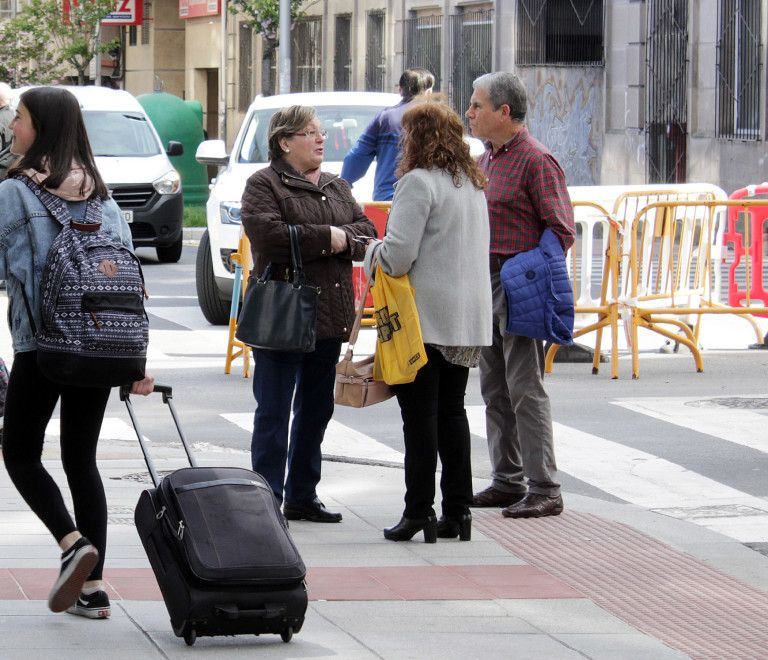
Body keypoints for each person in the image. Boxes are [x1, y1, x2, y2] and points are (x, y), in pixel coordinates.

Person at [0, 86, 155, 620]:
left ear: (39, 127)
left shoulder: (19, 193)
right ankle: (95, 588)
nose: (12, 127)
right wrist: (135, 361)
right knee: (81, 460)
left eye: (18, 119)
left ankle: (71, 545)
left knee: (20, 453)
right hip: (100, 346)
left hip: (42, 346)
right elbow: (123, 282)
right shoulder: (101, 195)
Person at [240, 105, 377, 524]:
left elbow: (367, 234)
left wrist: (340, 240)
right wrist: (330, 237)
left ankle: (302, 495)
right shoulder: (264, 183)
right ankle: (267, 499)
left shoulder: (337, 185)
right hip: (281, 314)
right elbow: (268, 235)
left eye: (321, 133)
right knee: (274, 411)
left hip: (329, 314)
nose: (321, 139)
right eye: (310, 132)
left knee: (317, 410)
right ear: (285, 141)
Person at [362, 98, 492, 543]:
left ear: (414, 139)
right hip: (466, 318)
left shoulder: (418, 183)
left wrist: (369, 252)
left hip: (425, 320)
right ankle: (458, 511)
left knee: (419, 418)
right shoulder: (470, 184)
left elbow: (397, 258)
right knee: (452, 415)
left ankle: (418, 511)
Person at [464, 72, 575, 519]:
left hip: (518, 285)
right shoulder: (487, 157)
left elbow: (561, 229)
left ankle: (545, 486)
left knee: (526, 388)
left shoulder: (536, 160)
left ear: (504, 112)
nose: (469, 113)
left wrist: (522, 273)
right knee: (494, 388)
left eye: (477, 105)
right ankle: (507, 479)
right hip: (484, 282)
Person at [341, 69, 436, 201]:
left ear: (400, 90)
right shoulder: (438, 119)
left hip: (388, 198)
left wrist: (345, 182)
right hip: (429, 199)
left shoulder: (385, 118)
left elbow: (357, 156)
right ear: (429, 92)